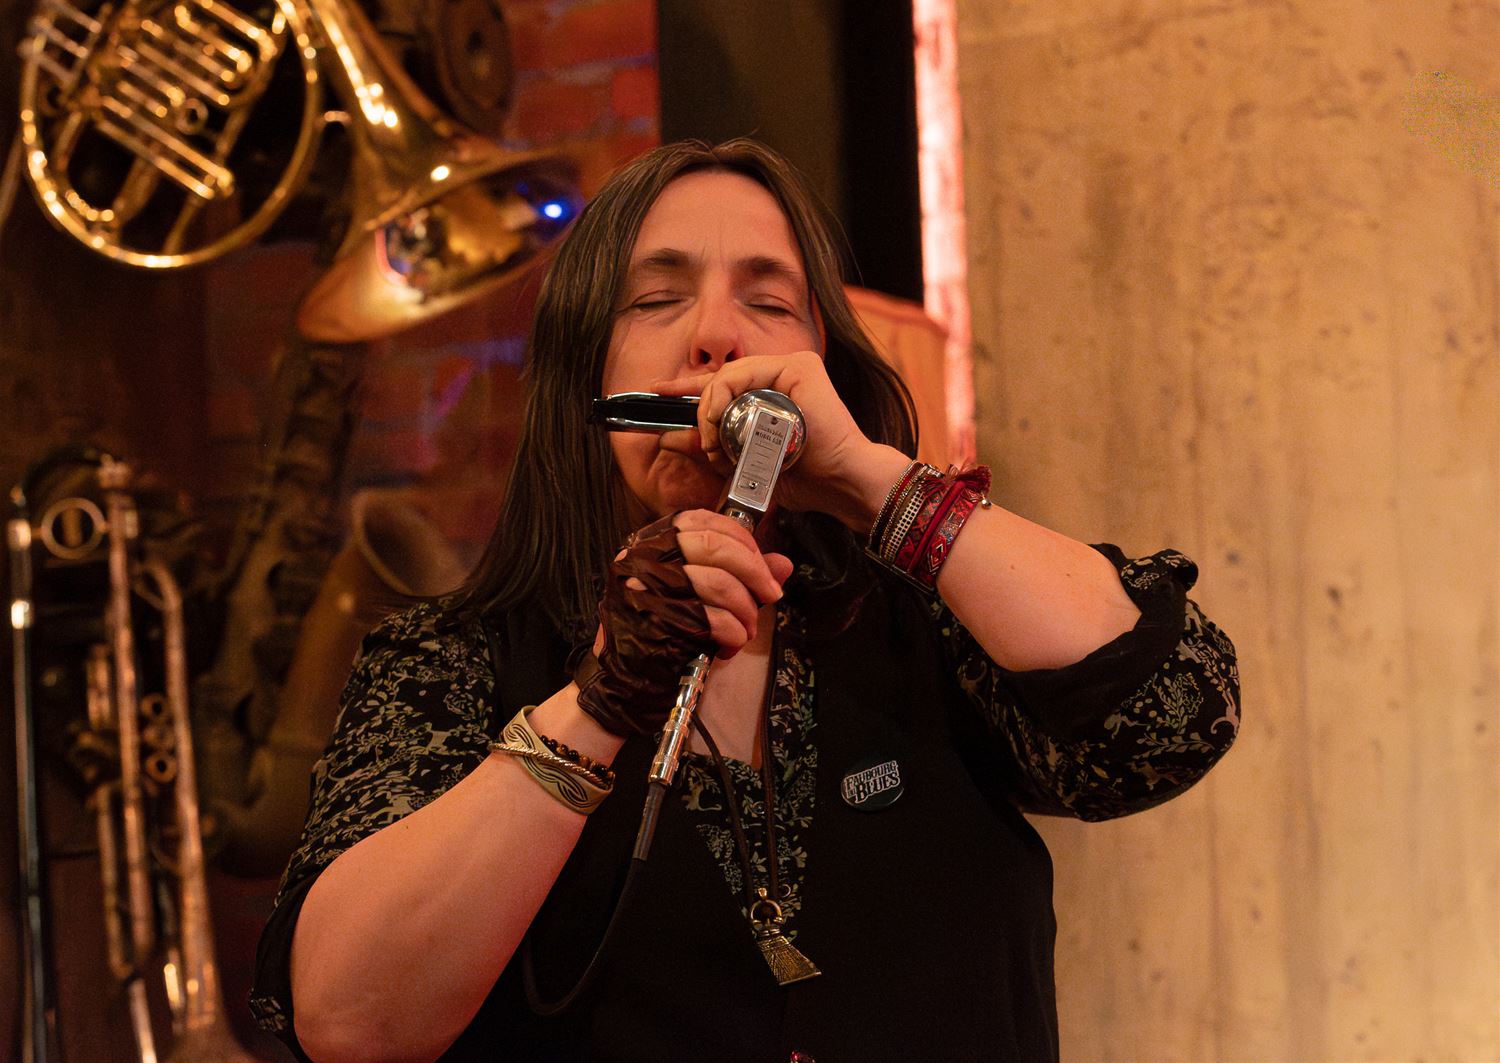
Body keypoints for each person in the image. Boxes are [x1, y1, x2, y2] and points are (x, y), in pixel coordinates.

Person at [250, 138, 1240, 1063]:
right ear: (586, 373)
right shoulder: (451, 660)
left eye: (768, 303)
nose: (719, 336)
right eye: (656, 299)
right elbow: (349, 1018)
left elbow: (1173, 717)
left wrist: (875, 484)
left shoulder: (930, 621)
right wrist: (598, 701)